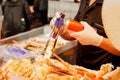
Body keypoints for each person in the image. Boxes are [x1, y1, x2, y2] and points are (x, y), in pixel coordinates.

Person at [50, 0, 120, 70]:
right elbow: (73, 33)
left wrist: (98, 40)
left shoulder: (114, 4)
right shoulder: (85, 1)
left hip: (105, 72)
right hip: (81, 69)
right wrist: (62, 30)